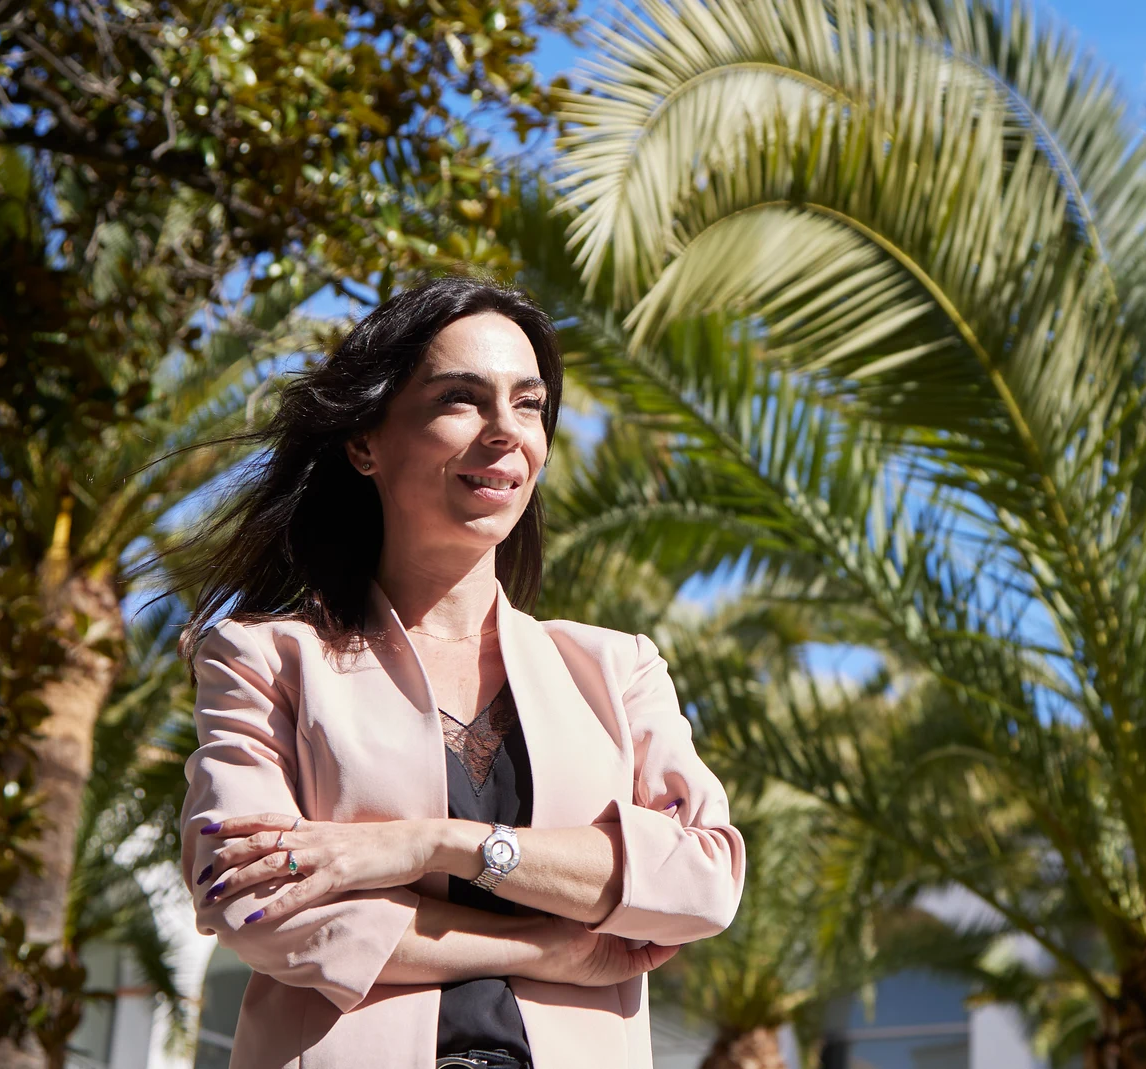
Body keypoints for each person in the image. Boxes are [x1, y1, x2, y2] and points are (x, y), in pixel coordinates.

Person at [173, 275, 744, 1069]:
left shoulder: (618, 669)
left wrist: (429, 846)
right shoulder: (264, 660)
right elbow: (255, 901)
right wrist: (544, 946)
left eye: (530, 403)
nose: (506, 432)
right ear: (365, 442)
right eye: (461, 399)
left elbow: (702, 880)